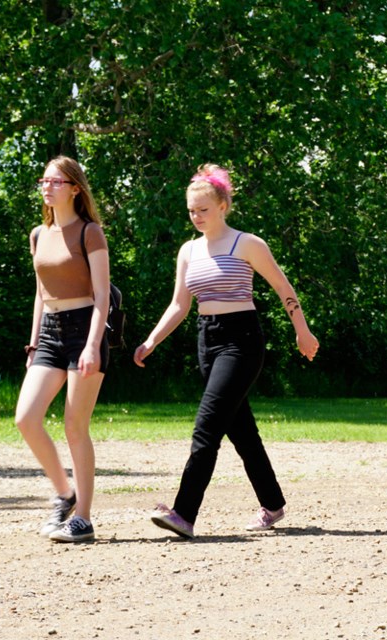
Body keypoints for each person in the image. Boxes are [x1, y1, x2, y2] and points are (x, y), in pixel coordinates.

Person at [134, 164, 319, 538]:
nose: (196, 216)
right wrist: (151, 340)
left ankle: (184, 513)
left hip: (242, 340)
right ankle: (273, 503)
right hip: (208, 339)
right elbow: (179, 306)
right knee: (241, 430)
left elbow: (283, 288)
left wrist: (303, 331)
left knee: (207, 427)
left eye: (203, 209)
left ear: (223, 206)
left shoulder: (247, 244)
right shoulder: (188, 251)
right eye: (191, 210)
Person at [15, 156, 111, 543]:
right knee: (26, 417)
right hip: (51, 333)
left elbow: (102, 295)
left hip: (84, 329)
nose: (46, 186)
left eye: (55, 181)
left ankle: (83, 518)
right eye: (44, 180)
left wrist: (91, 346)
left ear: (74, 188)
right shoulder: (39, 234)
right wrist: (34, 341)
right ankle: (64, 493)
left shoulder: (90, 232)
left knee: (75, 426)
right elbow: (41, 294)